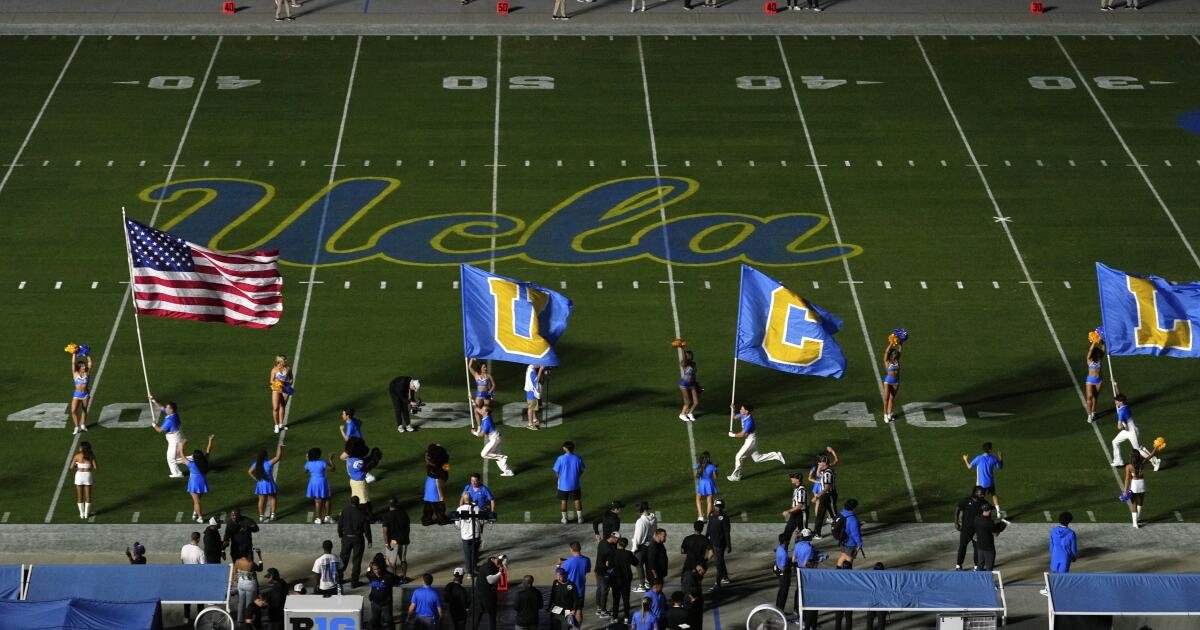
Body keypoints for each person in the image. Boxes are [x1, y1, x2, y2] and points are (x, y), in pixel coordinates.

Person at [726, 403, 785, 482]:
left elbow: (742, 434)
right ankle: (776, 455)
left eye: (742, 409)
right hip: (749, 439)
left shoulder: (749, 422)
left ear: (746, 411)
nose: (740, 410)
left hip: (750, 440)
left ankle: (736, 476)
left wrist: (733, 435)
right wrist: (732, 410)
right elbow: (734, 417)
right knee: (757, 458)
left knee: (738, 456)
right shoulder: (743, 415)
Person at [1110, 395, 1162, 471]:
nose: (1115, 402)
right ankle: (1118, 461)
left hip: (1132, 432)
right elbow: (1119, 395)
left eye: (1116, 401)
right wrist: (1116, 385)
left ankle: (1155, 461)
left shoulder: (1121, 412)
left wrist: (1121, 424)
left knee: (1139, 449)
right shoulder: (1125, 405)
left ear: (1121, 402)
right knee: (1115, 442)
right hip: (1127, 431)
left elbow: (1119, 427)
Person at [1123, 444, 1163, 528]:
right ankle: (1138, 518)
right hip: (1142, 484)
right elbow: (1151, 455)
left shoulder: (1129, 466)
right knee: (1140, 502)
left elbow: (1127, 479)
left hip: (1134, 485)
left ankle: (1135, 523)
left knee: (1134, 503)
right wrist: (1156, 448)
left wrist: (1125, 490)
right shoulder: (1142, 462)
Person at [338, 496, 372, 586]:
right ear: (358, 502)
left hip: (346, 538)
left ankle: (339, 578)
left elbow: (340, 524)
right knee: (357, 560)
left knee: (343, 558)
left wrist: (340, 534)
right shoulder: (362, 513)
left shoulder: (345, 510)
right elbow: (366, 529)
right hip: (358, 538)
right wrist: (369, 540)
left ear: (350, 502)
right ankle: (354, 581)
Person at [473, 401, 515, 477]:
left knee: (484, 454)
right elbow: (477, 409)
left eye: (482, 409)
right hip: (496, 438)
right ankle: (508, 472)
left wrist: (474, 433)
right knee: (496, 456)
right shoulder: (486, 416)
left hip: (495, 440)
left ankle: (502, 457)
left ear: (485, 412)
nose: (481, 410)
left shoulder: (486, 422)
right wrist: (472, 401)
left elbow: (481, 434)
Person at [963, 442, 1004, 515]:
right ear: (990, 450)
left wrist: (965, 459)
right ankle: (998, 512)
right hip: (990, 482)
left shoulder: (979, 458)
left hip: (981, 484)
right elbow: (1000, 467)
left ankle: (979, 512)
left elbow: (969, 466)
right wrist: (1000, 458)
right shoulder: (994, 458)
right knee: (993, 495)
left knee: (978, 499)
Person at [182, 435, 216, 524]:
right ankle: (195, 513)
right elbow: (208, 450)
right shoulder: (205, 461)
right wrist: (210, 440)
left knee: (196, 501)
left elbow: (182, 457)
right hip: (202, 482)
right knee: (197, 500)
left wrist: (182, 447)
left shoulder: (191, 464)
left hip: (194, 483)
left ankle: (200, 517)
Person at [954, 486, 988, 571]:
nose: (983, 495)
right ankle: (958, 565)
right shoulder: (966, 501)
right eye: (981, 494)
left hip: (977, 530)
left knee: (977, 547)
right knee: (962, 546)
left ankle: (977, 566)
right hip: (966, 529)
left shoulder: (983, 502)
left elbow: (989, 511)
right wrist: (956, 522)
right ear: (976, 493)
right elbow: (958, 508)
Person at [150, 398, 186, 478]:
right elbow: (161, 407)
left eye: (167, 408)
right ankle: (193, 459)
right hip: (178, 437)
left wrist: (154, 425)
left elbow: (159, 430)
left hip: (174, 441)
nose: (166, 409)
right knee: (177, 457)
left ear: (171, 410)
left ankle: (177, 473)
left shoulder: (170, 420)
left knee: (171, 458)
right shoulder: (174, 414)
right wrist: (153, 401)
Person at [809, 448, 840, 539]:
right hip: (825, 496)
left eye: (819, 462)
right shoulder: (825, 470)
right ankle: (817, 533)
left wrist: (817, 496)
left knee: (834, 515)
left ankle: (842, 529)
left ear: (824, 463)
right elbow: (818, 475)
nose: (818, 463)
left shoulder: (827, 473)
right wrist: (819, 467)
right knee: (821, 514)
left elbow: (827, 488)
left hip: (828, 496)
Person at [249, 445, 284, 522]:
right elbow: (278, 457)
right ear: (265, 456)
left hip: (260, 484)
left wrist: (256, 479)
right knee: (273, 498)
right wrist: (280, 448)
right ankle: (273, 515)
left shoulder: (256, 464)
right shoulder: (268, 463)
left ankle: (261, 516)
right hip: (269, 484)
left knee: (261, 500)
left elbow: (250, 472)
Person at [553, 441, 585, 524]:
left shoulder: (560, 458)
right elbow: (582, 470)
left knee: (564, 501)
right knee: (577, 500)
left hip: (563, 485)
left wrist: (560, 478)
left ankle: (564, 519)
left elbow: (556, 471)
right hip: (575, 484)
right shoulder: (578, 458)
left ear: (565, 448)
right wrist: (577, 476)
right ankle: (580, 518)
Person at [561, 541, 592, 626]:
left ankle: (569, 627)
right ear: (580, 549)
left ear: (571, 550)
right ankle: (578, 628)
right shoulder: (587, 560)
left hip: (568, 589)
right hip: (580, 589)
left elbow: (561, 574)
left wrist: (558, 564)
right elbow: (587, 570)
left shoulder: (566, 562)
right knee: (578, 610)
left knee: (567, 610)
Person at [380, 497, 411, 581]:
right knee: (403, 560)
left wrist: (387, 544)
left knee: (391, 562)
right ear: (397, 504)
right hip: (404, 540)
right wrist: (407, 538)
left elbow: (385, 532)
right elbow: (408, 527)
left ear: (389, 505)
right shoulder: (404, 513)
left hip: (393, 542)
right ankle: (404, 578)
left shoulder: (386, 516)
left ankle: (393, 579)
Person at [610, 537, 639, 624]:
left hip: (615, 580)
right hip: (626, 580)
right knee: (626, 600)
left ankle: (615, 617)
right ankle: (626, 618)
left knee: (616, 600)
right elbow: (636, 563)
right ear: (626, 545)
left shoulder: (613, 553)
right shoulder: (628, 553)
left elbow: (609, 564)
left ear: (618, 543)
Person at [365, 556, 398, 630]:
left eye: (378, 569)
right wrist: (369, 566)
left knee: (388, 622)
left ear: (382, 568)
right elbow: (367, 572)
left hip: (386, 604)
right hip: (375, 603)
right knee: (375, 621)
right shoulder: (371, 575)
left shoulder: (388, 576)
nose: (376, 571)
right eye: (374, 569)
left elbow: (397, 579)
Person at [423, 443, 452, 526]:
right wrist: (441, 496)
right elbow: (444, 474)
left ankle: (426, 519)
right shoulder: (441, 466)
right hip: (435, 484)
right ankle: (441, 519)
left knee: (428, 503)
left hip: (429, 483)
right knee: (438, 505)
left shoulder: (429, 465)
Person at [340, 437, 372, 512]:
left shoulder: (350, 458)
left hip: (353, 481)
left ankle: (360, 513)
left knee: (360, 498)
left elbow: (343, 456)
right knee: (363, 500)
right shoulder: (358, 461)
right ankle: (364, 515)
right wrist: (373, 460)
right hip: (359, 482)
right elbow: (366, 466)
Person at [631, 502, 657, 592]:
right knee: (648, 565)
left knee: (639, 565)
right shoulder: (654, 518)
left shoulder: (640, 521)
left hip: (641, 547)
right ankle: (648, 582)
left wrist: (634, 549)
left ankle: (642, 586)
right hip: (651, 545)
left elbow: (638, 537)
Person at [305, 448, 335, 524]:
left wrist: (308, 460)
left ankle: (318, 518)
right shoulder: (322, 462)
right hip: (322, 482)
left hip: (313, 482)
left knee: (317, 501)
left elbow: (305, 471)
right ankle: (327, 517)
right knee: (327, 498)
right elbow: (332, 469)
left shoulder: (308, 464)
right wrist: (331, 460)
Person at [474, 556, 505, 630]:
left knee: (479, 613)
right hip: (487, 595)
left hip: (480, 593)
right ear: (492, 559)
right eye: (498, 560)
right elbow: (491, 580)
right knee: (492, 614)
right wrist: (500, 573)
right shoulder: (489, 565)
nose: (500, 562)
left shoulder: (491, 566)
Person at [234, 550, 264, 624]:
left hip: (241, 583)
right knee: (249, 604)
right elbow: (260, 569)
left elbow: (235, 572)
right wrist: (260, 556)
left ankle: (240, 620)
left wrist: (236, 580)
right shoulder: (251, 563)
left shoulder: (237, 561)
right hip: (250, 585)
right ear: (249, 555)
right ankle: (248, 620)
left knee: (241, 602)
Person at [594, 529, 619, 618]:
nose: (618, 541)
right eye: (617, 539)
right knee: (604, 591)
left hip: (597, 570)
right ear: (614, 538)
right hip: (604, 572)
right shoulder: (610, 550)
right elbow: (608, 564)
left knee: (599, 589)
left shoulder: (602, 542)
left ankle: (599, 608)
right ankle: (603, 611)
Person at [706, 499, 732, 585]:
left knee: (718, 562)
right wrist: (706, 538)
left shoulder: (724, 518)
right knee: (720, 561)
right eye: (717, 506)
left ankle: (719, 579)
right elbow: (709, 527)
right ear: (714, 506)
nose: (718, 508)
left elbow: (727, 532)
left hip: (720, 543)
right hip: (712, 541)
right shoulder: (711, 515)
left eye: (720, 506)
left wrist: (729, 545)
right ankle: (725, 577)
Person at [679, 520, 713, 586]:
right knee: (697, 582)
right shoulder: (705, 539)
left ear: (694, 528)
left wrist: (688, 551)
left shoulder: (687, 538)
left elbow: (682, 551)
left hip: (689, 563)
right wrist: (704, 561)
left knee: (685, 581)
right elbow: (711, 553)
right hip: (700, 563)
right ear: (702, 528)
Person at [71, 441, 97, 519]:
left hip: (79, 475)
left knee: (79, 496)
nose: (79, 447)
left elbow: (71, 467)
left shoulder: (77, 456)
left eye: (80, 446)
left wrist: (77, 467)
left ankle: (81, 514)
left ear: (82, 448)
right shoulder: (91, 455)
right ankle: (86, 514)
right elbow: (95, 467)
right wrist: (89, 467)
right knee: (88, 496)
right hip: (87, 475)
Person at [457, 503, 484, 575]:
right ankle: (474, 569)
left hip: (465, 536)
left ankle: (469, 572)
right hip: (475, 535)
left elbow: (457, 523)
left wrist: (461, 527)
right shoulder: (477, 508)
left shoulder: (459, 509)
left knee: (467, 554)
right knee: (474, 553)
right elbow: (481, 521)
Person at [269, 355, 293, 434]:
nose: (286, 361)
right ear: (280, 361)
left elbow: (291, 378)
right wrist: (278, 383)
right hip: (276, 388)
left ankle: (281, 424)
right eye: (284, 360)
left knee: (282, 405)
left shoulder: (288, 368)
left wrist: (288, 384)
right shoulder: (274, 370)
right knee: (275, 407)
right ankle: (276, 425)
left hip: (285, 388)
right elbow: (271, 381)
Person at [782, 471, 808, 542]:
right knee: (788, 530)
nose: (791, 478)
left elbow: (800, 505)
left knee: (803, 533)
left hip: (801, 514)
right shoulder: (797, 488)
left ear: (797, 479)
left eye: (793, 477)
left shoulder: (801, 490)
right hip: (795, 513)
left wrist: (788, 511)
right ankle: (784, 547)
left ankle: (802, 549)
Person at [881, 334, 902, 423]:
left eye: (896, 355)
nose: (895, 355)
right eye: (894, 354)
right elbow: (886, 352)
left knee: (892, 398)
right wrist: (891, 343)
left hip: (896, 382)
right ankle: (885, 414)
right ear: (891, 355)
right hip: (888, 381)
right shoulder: (887, 362)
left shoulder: (897, 360)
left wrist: (900, 341)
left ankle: (889, 414)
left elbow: (900, 349)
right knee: (886, 398)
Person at [69, 350, 92, 434]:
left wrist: (87, 354)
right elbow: (73, 363)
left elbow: (90, 363)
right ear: (79, 367)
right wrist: (74, 353)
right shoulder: (75, 374)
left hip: (85, 395)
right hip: (77, 395)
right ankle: (76, 427)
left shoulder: (87, 373)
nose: (84, 367)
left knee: (84, 409)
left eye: (84, 366)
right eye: (82, 366)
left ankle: (82, 424)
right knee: (73, 410)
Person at [836, 499, 863, 567]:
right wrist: (859, 543)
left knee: (843, 555)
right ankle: (847, 573)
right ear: (853, 508)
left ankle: (837, 570)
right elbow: (855, 534)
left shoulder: (842, 513)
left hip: (842, 540)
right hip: (850, 543)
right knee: (849, 559)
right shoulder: (852, 519)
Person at [693, 451, 718, 521]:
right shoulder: (712, 466)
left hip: (702, 484)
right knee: (709, 500)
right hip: (710, 484)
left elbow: (696, 476)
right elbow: (715, 477)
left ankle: (700, 516)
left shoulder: (698, 466)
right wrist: (715, 469)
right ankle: (708, 516)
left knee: (698, 499)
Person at [1084, 340, 1104, 423]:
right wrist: (1094, 342)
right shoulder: (1089, 360)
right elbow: (1090, 350)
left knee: (1095, 397)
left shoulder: (1099, 360)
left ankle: (1093, 412)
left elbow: (1103, 349)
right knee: (1089, 397)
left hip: (1098, 381)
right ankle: (1089, 415)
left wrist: (1102, 342)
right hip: (1090, 380)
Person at [973, 504, 998, 570]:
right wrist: (1002, 526)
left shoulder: (977, 518)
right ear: (989, 511)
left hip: (980, 546)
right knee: (989, 567)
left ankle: (978, 579)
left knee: (980, 565)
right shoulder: (989, 522)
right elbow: (995, 534)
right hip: (989, 548)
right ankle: (987, 580)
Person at [681, 564, 706, 630]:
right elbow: (686, 590)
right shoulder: (689, 577)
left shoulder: (696, 576)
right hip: (691, 605)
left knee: (697, 623)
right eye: (702, 573)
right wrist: (692, 598)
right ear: (699, 569)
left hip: (696, 604)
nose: (702, 575)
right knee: (693, 623)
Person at [678, 349, 700, 422]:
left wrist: (696, 384)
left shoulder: (694, 364)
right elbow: (684, 360)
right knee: (688, 402)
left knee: (696, 402)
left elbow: (694, 375)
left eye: (690, 355)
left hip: (692, 384)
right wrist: (682, 349)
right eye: (688, 355)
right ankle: (682, 414)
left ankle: (690, 413)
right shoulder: (684, 363)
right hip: (684, 384)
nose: (690, 356)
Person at [865, 563, 888, 630]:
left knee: (869, 623)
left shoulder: (869, 578)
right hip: (882, 604)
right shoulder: (886, 579)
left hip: (871, 603)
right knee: (881, 624)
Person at [773, 533, 791, 611]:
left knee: (781, 591)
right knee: (783, 593)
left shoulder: (779, 548)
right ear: (785, 541)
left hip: (779, 571)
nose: (789, 542)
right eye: (788, 540)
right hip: (783, 574)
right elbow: (783, 568)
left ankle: (778, 609)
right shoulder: (784, 553)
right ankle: (780, 611)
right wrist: (782, 575)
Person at [525, 364, 545, 430]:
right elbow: (536, 380)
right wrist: (540, 370)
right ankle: (530, 424)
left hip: (532, 391)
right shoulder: (532, 372)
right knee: (531, 408)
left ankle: (534, 419)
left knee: (533, 406)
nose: (539, 365)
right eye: (538, 364)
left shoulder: (531, 368)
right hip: (531, 392)